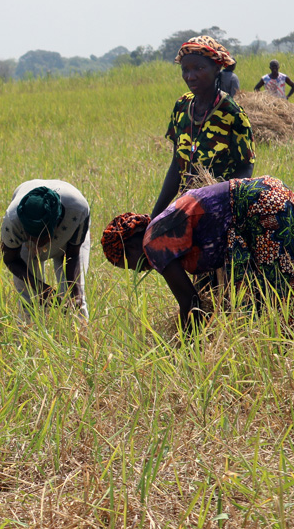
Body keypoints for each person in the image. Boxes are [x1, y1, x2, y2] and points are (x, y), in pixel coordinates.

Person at [103, 176, 294, 331]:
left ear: (131, 248)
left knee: (281, 290)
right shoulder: (163, 228)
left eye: (127, 264)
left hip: (261, 206)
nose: (137, 271)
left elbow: (191, 303)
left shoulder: (153, 243)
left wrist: (183, 350)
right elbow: (205, 290)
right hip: (269, 191)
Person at [152, 36, 254, 219]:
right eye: (185, 70)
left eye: (199, 68)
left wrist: (215, 196)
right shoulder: (182, 107)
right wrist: (155, 217)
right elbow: (177, 165)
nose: (190, 76)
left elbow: (245, 169)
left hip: (221, 214)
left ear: (217, 68)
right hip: (186, 211)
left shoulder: (232, 114)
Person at [0, 181, 91, 319]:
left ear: (57, 223)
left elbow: (73, 254)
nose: (36, 241)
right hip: (24, 246)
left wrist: (76, 293)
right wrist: (39, 287)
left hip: (68, 239)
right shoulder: (13, 220)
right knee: (29, 301)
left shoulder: (77, 210)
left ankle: (80, 337)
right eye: (30, 234)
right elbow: (10, 259)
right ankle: (29, 338)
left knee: (77, 302)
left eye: (41, 236)